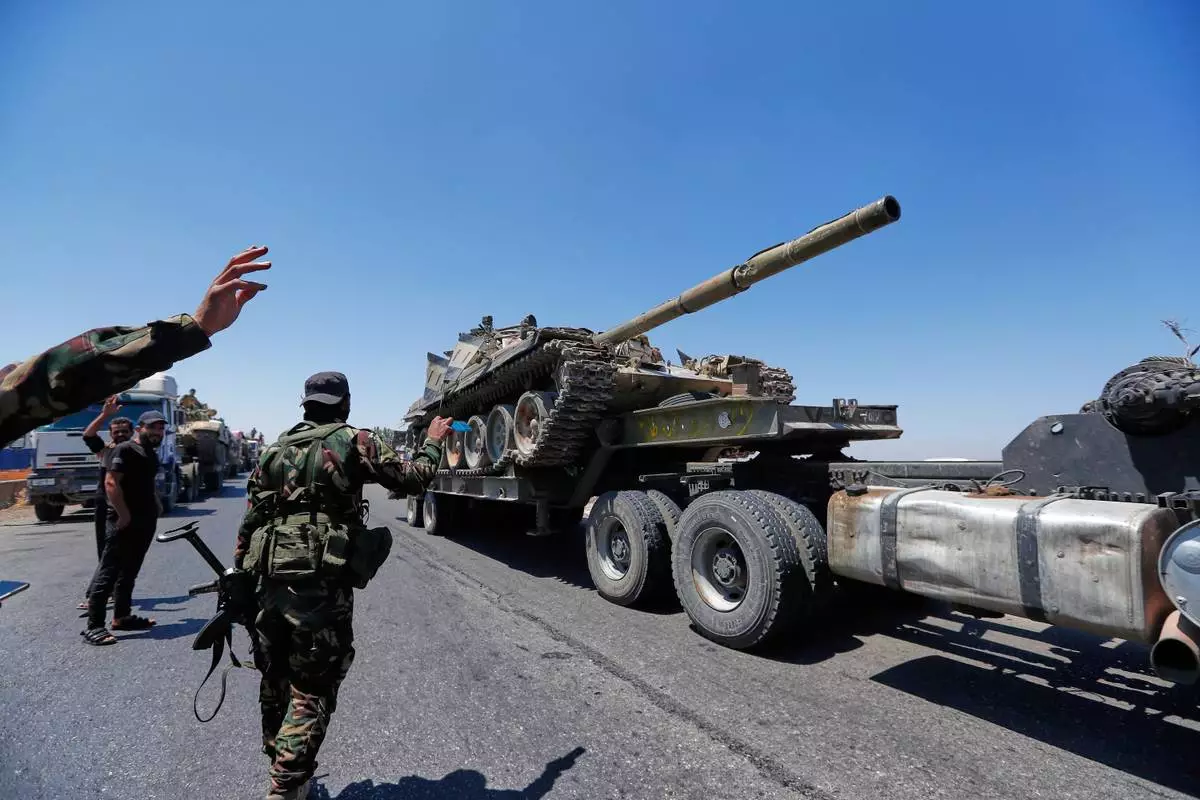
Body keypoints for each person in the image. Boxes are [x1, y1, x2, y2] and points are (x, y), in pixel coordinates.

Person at [233, 371, 451, 800]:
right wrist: (432, 440)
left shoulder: (273, 450)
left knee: (275, 677)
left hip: (267, 583)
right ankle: (285, 785)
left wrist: (240, 576)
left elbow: (251, 520)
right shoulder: (355, 441)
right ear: (345, 403)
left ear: (305, 403)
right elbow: (414, 478)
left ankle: (283, 764)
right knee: (313, 684)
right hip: (319, 587)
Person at [0, 245, 272, 446]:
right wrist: (191, 330)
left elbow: (45, 381)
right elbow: (49, 381)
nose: (156, 432)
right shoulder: (124, 451)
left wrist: (193, 330)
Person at [80, 410, 170, 645]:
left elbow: (145, 482)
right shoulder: (124, 449)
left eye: (161, 428)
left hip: (145, 520)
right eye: (152, 427)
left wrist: (156, 504)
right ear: (139, 429)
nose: (158, 432)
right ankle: (94, 626)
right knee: (109, 572)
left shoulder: (149, 452)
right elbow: (111, 483)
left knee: (129, 571)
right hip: (125, 521)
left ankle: (122, 617)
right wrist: (123, 515)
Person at [77, 395, 133, 610]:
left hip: (129, 505)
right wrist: (104, 415)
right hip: (106, 506)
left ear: (132, 433)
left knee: (121, 551)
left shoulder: (136, 451)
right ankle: (101, 593)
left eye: (124, 431)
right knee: (106, 548)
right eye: (116, 432)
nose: (120, 435)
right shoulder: (106, 451)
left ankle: (105, 592)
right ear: (110, 434)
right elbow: (88, 435)